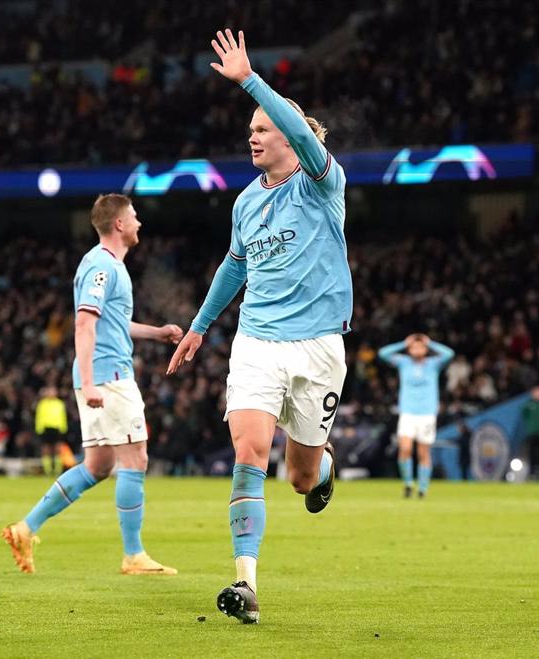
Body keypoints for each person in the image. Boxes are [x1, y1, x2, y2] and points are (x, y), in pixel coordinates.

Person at [166, 29, 351, 624]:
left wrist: (250, 79)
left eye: (263, 128)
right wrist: (200, 325)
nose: (253, 133)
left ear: (288, 136)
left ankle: (322, 467)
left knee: (299, 477)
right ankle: (244, 582)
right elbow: (234, 265)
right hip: (257, 343)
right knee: (249, 452)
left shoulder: (323, 183)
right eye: (250, 128)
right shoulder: (245, 202)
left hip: (319, 345)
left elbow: (298, 129)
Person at [1, 193, 183, 576]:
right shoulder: (103, 266)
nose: (138, 223)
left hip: (99, 376)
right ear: (118, 224)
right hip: (108, 377)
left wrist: (158, 332)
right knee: (136, 459)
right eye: (133, 216)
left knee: (98, 465)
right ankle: (134, 556)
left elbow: (111, 323)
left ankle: (26, 528)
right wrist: (90, 382)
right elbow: (84, 323)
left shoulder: (103, 265)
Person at [378, 334, 455, 497]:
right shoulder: (403, 363)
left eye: (420, 346)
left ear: (426, 349)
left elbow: (449, 354)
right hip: (408, 412)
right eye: (413, 347)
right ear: (409, 349)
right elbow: (383, 353)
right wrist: (403, 343)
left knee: (423, 453)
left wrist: (431, 342)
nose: (416, 349)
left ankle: (422, 488)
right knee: (405, 449)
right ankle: (407, 484)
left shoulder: (433, 364)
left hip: (427, 414)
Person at [34, 385, 70, 475]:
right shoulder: (42, 404)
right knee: (46, 449)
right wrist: (39, 428)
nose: (51, 393)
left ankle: (57, 470)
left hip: (57, 428)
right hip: (45, 428)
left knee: (58, 449)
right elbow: (38, 417)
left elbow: (63, 417)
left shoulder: (60, 403)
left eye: (53, 391)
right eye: (49, 391)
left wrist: (63, 428)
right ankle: (48, 470)